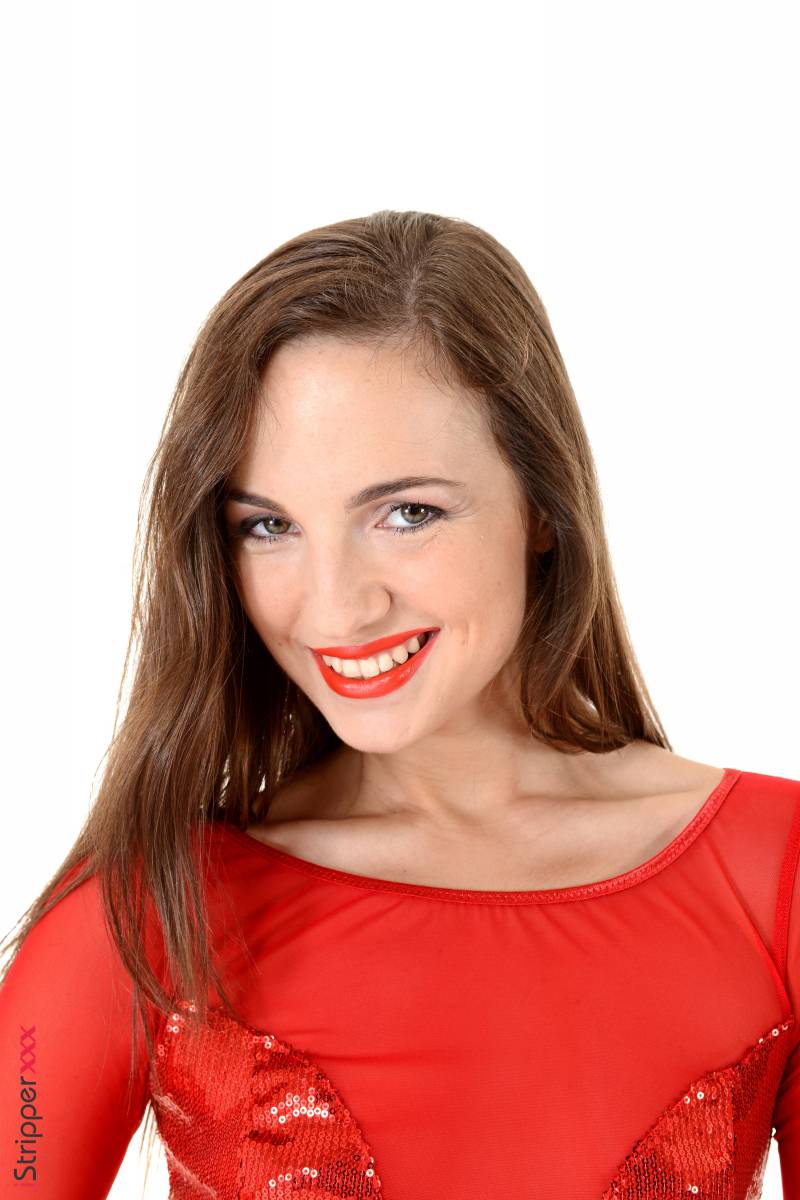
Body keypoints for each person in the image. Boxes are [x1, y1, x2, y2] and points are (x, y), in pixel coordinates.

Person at [1, 209, 798, 1199]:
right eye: (268, 527)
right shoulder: (144, 910)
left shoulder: (774, 873)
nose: (336, 605)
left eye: (406, 513)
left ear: (541, 506)